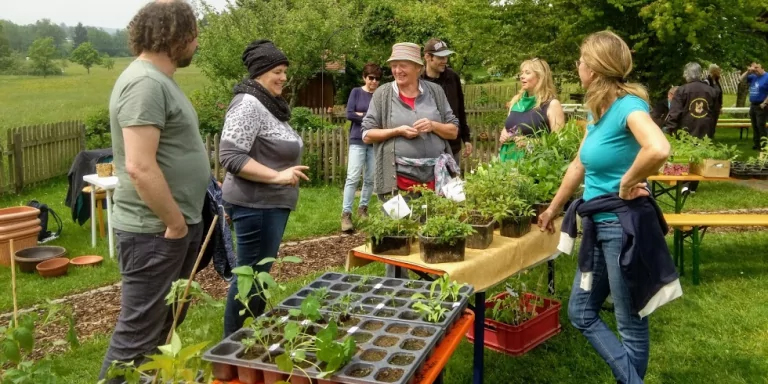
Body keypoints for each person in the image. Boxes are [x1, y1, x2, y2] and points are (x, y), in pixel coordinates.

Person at [538, 30, 679, 384]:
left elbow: (658, 149)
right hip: (596, 224)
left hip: (622, 226)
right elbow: (578, 165)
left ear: (596, 70)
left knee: (630, 321)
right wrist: (554, 209)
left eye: (582, 60)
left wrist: (629, 181)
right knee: (581, 311)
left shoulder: (628, 107)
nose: (578, 66)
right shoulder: (595, 110)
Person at [99, 1, 209, 382]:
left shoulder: (160, 80)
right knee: (137, 334)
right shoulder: (144, 83)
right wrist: (176, 225)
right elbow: (139, 166)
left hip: (170, 227)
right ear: (176, 37)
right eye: (193, 33)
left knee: (163, 326)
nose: (197, 42)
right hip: (155, 230)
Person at [219, 39, 309, 337]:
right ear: (260, 72)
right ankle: (233, 345)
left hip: (269, 206)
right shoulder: (248, 104)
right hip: (254, 205)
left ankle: (249, 338)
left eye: (285, 71)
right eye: (278, 71)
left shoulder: (267, 104)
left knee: (257, 276)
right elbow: (230, 156)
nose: (284, 77)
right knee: (249, 278)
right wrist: (277, 176)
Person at [361, 42, 459, 277]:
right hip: (396, 185)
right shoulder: (384, 94)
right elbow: (367, 133)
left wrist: (433, 125)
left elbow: (453, 130)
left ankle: (434, 291)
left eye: (402, 65)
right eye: (394, 66)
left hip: (435, 185)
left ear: (417, 67)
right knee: (397, 239)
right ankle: (398, 293)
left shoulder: (434, 92)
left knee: (437, 236)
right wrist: (397, 131)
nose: (397, 71)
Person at [340, 63, 381, 232]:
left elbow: (381, 118)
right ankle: (346, 213)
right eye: (371, 78)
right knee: (353, 177)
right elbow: (349, 114)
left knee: (370, 178)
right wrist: (369, 118)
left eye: (377, 79)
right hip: (357, 140)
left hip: (374, 142)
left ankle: (363, 208)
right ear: (364, 77)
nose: (374, 81)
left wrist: (361, 115)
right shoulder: (356, 92)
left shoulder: (379, 96)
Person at [499, 58, 564, 161]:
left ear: (540, 77)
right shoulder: (516, 102)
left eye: (527, 73)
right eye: (522, 73)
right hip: (507, 161)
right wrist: (504, 133)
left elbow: (559, 141)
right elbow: (512, 127)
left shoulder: (551, 105)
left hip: (534, 165)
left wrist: (530, 143)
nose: (522, 76)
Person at [421, 38, 472, 166]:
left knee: (451, 184)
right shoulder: (418, 81)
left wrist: (466, 138)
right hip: (428, 146)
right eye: (440, 57)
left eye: (446, 57)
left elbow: (460, 109)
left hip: (452, 145)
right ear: (428, 57)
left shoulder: (453, 78)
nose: (445, 61)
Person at [665, 62, 718, 140]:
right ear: (700, 74)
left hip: (685, 134)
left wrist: (671, 131)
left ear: (686, 74)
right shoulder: (711, 91)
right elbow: (715, 113)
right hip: (706, 133)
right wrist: (712, 130)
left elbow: (674, 113)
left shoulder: (681, 91)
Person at [741, 61, 768, 150]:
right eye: (753, 68)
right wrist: (748, 71)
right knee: (754, 125)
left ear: (762, 67)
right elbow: (741, 79)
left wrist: (765, 103)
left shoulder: (766, 77)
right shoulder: (753, 77)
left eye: (756, 67)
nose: (754, 70)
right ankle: (757, 144)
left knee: (761, 125)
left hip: (762, 105)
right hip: (753, 105)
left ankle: (764, 145)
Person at [706, 64, 724, 128]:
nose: (720, 72)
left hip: (716, 108)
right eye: (718, 70)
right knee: (709, 126)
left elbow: (719, 95)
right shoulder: (707, 82)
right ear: (714, 71)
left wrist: (720, 106)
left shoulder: (716, 81)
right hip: (709, 108)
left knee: (713, 126)